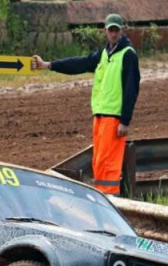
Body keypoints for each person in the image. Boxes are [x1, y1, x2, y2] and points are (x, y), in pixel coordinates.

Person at [32, 13, 140, 196]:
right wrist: (49, 65)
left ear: (122, 31)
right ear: (105, 31)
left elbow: (132, 89)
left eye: (116, 30)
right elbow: (79, 64)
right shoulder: (104, 54)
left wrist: (125, 120)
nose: (113, 34)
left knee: (108, 163)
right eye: (110, 30)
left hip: (114, 119)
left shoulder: (128, 55)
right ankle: (103, 196)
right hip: (99, 116)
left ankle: (111, 199)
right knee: (99, 161)